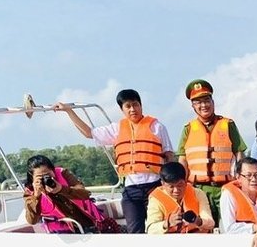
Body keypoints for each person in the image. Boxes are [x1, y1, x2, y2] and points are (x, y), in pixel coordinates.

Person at [56, 89, 175, 233]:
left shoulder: (157, 127)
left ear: (141, 105)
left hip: (155, 186)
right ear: (122, 109)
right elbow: (88, 133)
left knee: (159, 228)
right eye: (128, 106)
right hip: (132, 189)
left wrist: (171, 183)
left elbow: (169, 156)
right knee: (134, 231)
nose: (133, 109)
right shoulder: (117, 129)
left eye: (135, 105)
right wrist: (69, 111)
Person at [177, 79, 248, 226]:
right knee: (201, 227)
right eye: (198, 102)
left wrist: (242, 181)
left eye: (206, 100)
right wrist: (181, 185)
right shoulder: (188, 128)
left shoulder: (228, 124)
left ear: (212, 101)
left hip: (225, 187)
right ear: (193, 106)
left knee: (231, 226)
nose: (204, 105)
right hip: (198, 189)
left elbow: (240, 154)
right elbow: (183, 161)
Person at [22, 155, 108, 233]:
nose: (46, 179)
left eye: (48, 175)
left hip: (88, 222)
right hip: (64, 234)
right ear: (32, 177)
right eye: (40, 177)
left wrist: (62, 189)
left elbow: (85, 194)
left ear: (53, 169)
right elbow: (32, 220)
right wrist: (36, 196)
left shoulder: (63, 174)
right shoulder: (30, 191)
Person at [146, 162, 216, 234]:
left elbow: (210, 223)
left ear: (185, 182)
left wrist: (197, 221)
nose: (176, 190)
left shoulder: (198, 193)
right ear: (163, 184)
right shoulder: (156, 199)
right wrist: (167, 223)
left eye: (180, 185)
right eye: (171, 186)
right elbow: (151, 230)